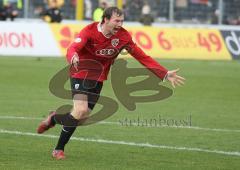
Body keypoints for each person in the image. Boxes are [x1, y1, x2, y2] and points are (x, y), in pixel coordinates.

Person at [37, 7, 185, 160]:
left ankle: (54, 118)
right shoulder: (89, 30)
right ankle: (58, 150)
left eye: (122, 21)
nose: (120, 24)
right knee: (80, 110)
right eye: (116, 21)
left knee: (82, 117)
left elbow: (142, 56)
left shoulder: (123, 36)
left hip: (99, 77)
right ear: (106, 20)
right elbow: (73, 47)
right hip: (80, 72)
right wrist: (73, 56)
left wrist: (164, 73)